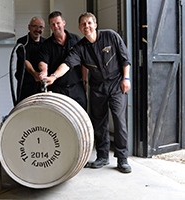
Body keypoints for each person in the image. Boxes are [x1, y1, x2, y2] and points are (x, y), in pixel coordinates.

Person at [41, 12, 132, 173]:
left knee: (119, 120)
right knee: (99, 122)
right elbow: (67, 64)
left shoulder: (110, 36)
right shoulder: (80, 47)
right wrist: (54, 76)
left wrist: (126, 78)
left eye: (89, 23)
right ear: (79, 28)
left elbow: (125, 58)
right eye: (83, 24)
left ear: (95, 25)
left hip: (116, 84)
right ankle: (102, 156)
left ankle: (122, 159)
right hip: (97, 88)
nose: (86, 26)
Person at [38, 11, 87, 110]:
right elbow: (43, 62)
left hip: (76, 87)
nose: (56, 26)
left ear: (63, 23)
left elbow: (84, 62)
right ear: (50, 26)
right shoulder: (46, 45)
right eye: (52, 24)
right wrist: (44, 72)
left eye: (58, 23)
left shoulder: (76, 39)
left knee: (81, 116)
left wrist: (84, 81)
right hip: (57, 89)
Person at [15, 16, 46, 103]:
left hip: (41, 83)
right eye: (35, 26)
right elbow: (25, 60)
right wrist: (34, 73)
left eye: (40, 27)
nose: (38, 29)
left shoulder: (46, 43)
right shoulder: (22, 42)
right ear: (29, 27)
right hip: (26, 84)